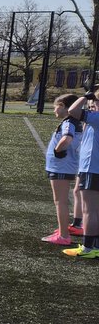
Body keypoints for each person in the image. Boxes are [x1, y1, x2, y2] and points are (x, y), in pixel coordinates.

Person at [41, 94, 81, 246]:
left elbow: (67, 138)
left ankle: (64, 236)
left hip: (61, 166)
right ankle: (62, 229)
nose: (54, 111)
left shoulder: (69, 122)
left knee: (60, 201)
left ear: (64, 106)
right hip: (65, 165)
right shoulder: (75, 121)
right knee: (61, 201)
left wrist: (58, 151)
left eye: (55, 107)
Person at [64, 89, 99, 259]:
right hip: (93, 168)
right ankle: (96, 245)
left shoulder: (97, 118)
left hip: (93, 168)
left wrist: (85, 96)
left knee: (89, 211)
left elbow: (72, 111)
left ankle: (88, 247)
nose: (92, 104)